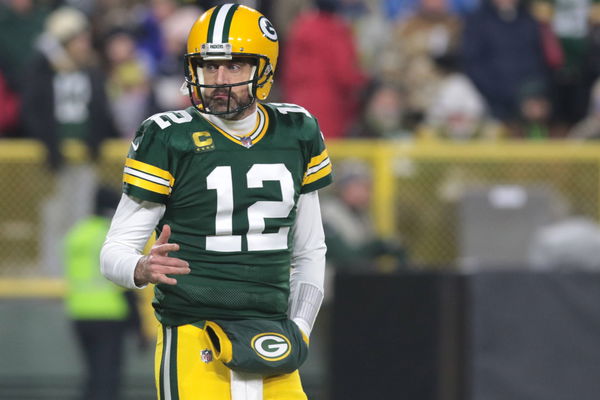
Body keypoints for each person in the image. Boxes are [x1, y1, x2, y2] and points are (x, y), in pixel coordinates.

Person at [100, 4, 332, 400]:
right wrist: (141, 267)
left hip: (273, 332)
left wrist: (301, 326)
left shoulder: (297, 130)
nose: (219, 80)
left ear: (264, 70)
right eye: (209, 67)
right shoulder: (167, 135)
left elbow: (310, 249)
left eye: (234, 66)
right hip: (194, 333)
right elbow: (112, 253)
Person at [64, 186, 147, 400]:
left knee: (93, 375)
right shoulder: (109, 237)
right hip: (109, 314)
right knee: (108, 378)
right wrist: (138, 326)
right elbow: (123, 285)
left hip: (79, 314)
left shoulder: (77, 233)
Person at [321, 160, 407, 272]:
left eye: (367, 187)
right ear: (342, 187)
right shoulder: (328, 211)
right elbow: (346, 259)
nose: (364, 192)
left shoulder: (362, 214)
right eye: (358, 186)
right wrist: (378, 246)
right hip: (328, 282)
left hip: (353, 280)